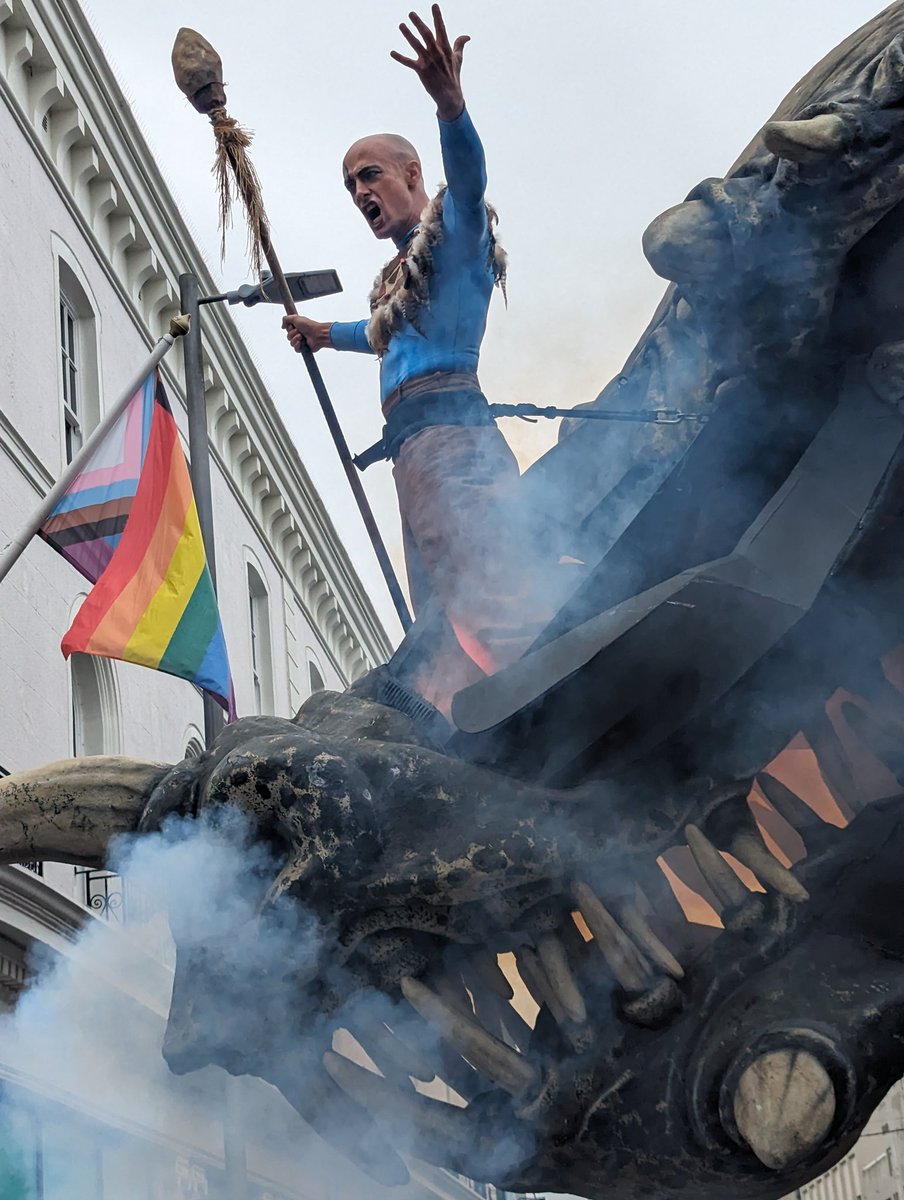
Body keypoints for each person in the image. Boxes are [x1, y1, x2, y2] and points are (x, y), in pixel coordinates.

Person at [284, 4, 548, 682]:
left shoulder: (455, 235)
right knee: (436, 603)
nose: (358, 191)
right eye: (350, 184)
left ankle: (535, 681)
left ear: (410, 173)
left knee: (486, 579)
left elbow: (470, 182)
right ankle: (459, 705)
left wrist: (451, 109)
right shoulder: (397, 278)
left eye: (369, 174)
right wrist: (323, 334)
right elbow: (381, 336)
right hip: (412, 452)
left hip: (452, 438)